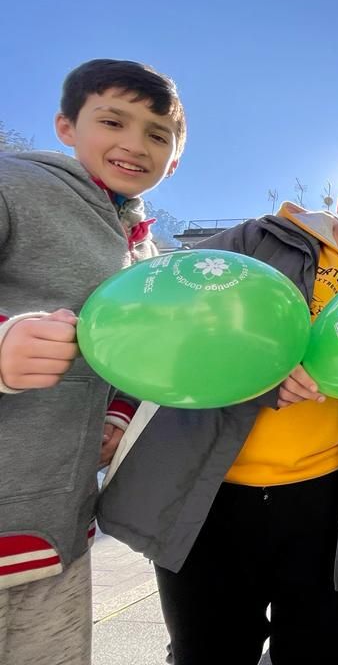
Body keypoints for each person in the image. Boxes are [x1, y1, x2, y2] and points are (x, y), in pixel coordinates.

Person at [98, 164, 338, 665]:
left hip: (325, 496)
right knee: (210, 646)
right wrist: (261, 372)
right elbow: (179, 315)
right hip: (214, 493)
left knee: (316, 642)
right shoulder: (260, 238)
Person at [0, 58, 186, 665]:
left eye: (157, 134)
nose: (135, 144)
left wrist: (118, 415)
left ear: (174, 158)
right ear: (65, 125)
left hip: (56, 533)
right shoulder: (15, 186)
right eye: (113, 121)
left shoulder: (143, 249)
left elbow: (133, 359)